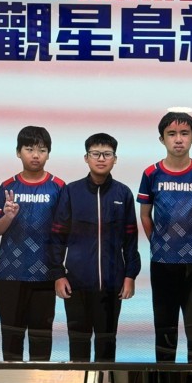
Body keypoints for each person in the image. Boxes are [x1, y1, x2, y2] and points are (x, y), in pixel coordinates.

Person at [48, 133, 140, 362]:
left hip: (112, 284)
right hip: (76, 284)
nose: (101, 159)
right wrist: (58, 275)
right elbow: (58, 236)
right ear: (86, 158)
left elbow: (131, 239)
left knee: (107, 344)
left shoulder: (123, 193)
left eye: (107, 154)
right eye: (95, 154)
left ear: (115, 159)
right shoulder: (71, 191)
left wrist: (130, 276)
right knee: (78, 343)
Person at [137, 112, 192, 363]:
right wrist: (158, 243)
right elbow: (145, 215)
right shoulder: (151, 174)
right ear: (162, 139)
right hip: (162, 262)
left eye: (184, 134)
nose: (178, 139)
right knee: (165, 328)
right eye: (172, 134)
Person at [0, 126, 64, 361]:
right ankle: (12, 382)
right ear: (18, 152)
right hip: (9, 275)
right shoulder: (7, 187)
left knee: (41, 338)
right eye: (29, 149)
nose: (35, 155)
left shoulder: (59, 187)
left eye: (42, 150)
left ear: (48, 154)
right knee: (11, 339)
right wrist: (8, 217)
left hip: (45, 275)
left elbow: (65, 232)